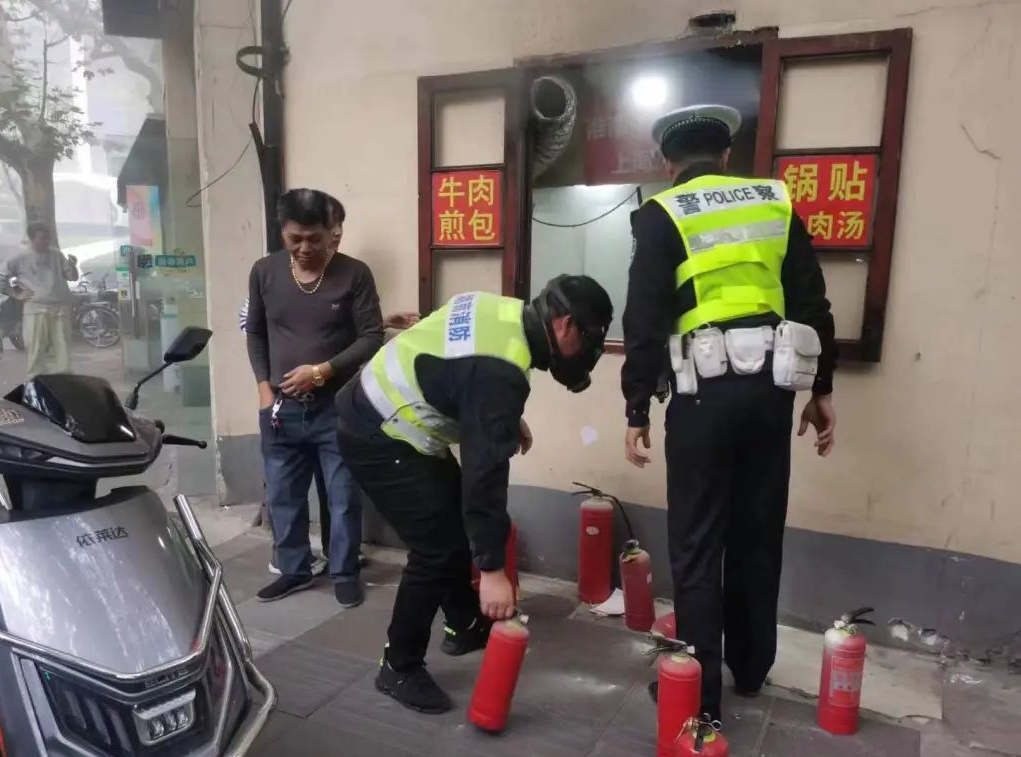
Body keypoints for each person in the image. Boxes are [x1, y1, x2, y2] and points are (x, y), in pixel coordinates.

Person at [620, 104, 838, 721]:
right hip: (771, 393)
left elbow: (644, 318)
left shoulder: (662, 214)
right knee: (757, 530)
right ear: (724, 156)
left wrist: (636, 406)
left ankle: (700, 695)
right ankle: (751, 667)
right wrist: (821, 389)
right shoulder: (773, 202)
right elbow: (812, 301)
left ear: (668, 163)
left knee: (697, 541)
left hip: (702, 395)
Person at [336, 275, 613, 714]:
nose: (588, 354)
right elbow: (484, 479)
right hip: (379, 433)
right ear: (564, 325)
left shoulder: (502, 311)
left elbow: (459, 364)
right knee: (435, 549)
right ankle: (399, 666)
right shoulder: (499, 374)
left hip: (385, 414)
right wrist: (493, 571)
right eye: (590, 341)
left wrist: (496, 416)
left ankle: (464, 625)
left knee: (452, 524)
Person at [241, 195, 418, 578]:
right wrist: (263, 389)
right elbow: (255, 331)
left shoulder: (354, 274)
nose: (305, 248)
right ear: (283, 232)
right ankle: (293, 571)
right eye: (295, 239)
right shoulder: (264, 272)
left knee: (341, 496)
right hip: (281, 408)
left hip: (336, 407)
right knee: (283, 494)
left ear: (331, 233)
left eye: (315, 239)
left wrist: (321, 371)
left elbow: (369, 336)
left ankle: (343, 573)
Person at [0, 223, 77, 376]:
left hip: (59, 305)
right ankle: (36, 377)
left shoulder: (56, 254)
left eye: (48, 238)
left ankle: (63, 375)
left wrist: (73, 265)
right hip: (36, 307)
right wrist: (16, 294)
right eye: (42, 238)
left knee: (63, 344)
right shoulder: (20, 257)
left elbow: (72, 277)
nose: (47, 241)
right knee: (36, 345)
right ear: (32, 239)